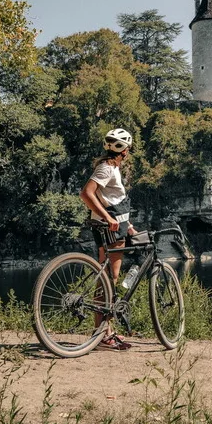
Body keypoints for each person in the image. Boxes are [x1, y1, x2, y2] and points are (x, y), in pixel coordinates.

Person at [80, 127, 137, 350]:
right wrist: (107, 218)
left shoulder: (111, 168)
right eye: (128, 150)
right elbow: (86, 193)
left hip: (117, 226)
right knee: (110, 279)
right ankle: (103, 334)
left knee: (107, 278)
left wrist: (129, 226)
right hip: (110, 228)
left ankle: (104, 332)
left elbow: (112, 201)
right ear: (124, 151)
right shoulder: (107, 169)